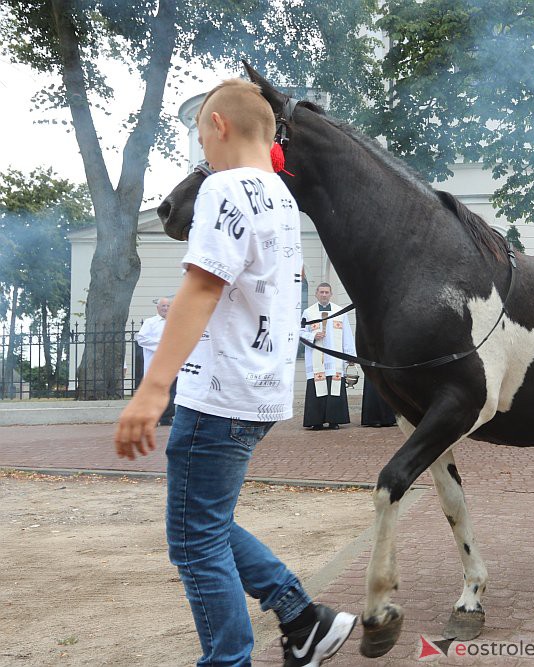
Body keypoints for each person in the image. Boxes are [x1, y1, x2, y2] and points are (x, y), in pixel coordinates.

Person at [113, 78, 356, 667]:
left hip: (218, 395)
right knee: (206, 523)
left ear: (218, 125)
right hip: (260, 393)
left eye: (201, 137)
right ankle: (302, 619)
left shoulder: (226, 188)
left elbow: (202, 286)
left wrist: (151, 389)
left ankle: (231, 658)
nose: (202, 151)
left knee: (194, 540)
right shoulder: (278, 195)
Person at [301, 283, 356, 430]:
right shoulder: (308, 313)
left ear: (331, 294)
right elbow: (299, 333)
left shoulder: (340, 312)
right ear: (316, 294)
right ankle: (316, 421)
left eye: (327, 292)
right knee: (317, 388)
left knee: (335, 389)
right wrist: (313, 335)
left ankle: (334, 420)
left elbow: (347, 335)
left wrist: (350, 355)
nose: (324, 295)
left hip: (334, 360)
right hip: (316, 358)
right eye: (321, 292)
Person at [135, 297, 176, 426]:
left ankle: (167, 417)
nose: (165, 308)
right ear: (157, 308)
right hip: (154, 364)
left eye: (168, 306)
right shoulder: (150, 322)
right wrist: (161, 345)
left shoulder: (175, 322)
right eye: (163, 306)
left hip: (171, 364)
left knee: (170, 391)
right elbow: (141, 339)